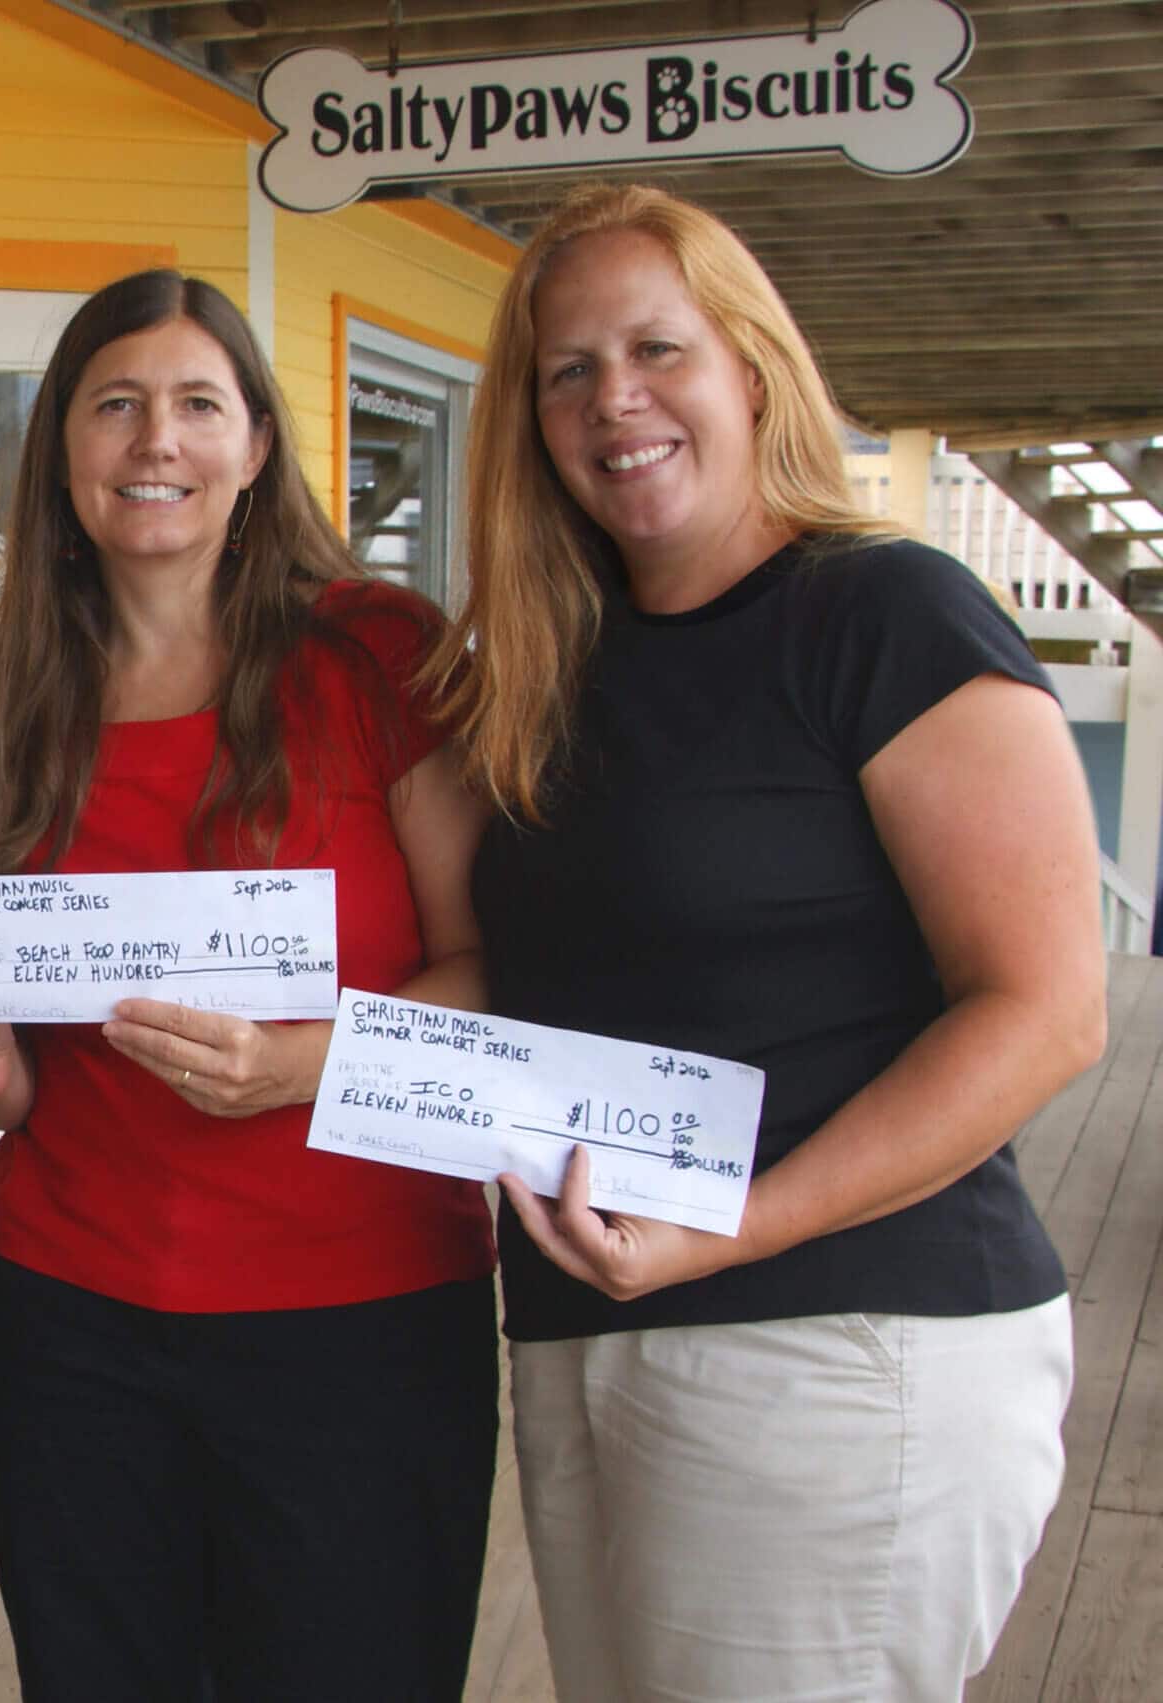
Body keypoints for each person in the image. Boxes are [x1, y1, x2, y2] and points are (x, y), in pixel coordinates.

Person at [439, 182, 1099, 1701]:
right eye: (569, 370)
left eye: (658, 349)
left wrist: (742, 1220)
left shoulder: (886, 615)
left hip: (841, 1340)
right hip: (584, 1326)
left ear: (752, 367)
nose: (619, 401)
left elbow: (1049, 1011)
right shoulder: (561, 668)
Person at [0, 270, 498, 1701]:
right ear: (63, 455)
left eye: (195, 405)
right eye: (114, 407)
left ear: (257, 445)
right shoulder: (11, 704)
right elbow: (30, 1065)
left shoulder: (375, 657)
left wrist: (303, 1062)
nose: (153, 441)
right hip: (73, 1323)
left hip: (360, 1316)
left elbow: (497, 972)